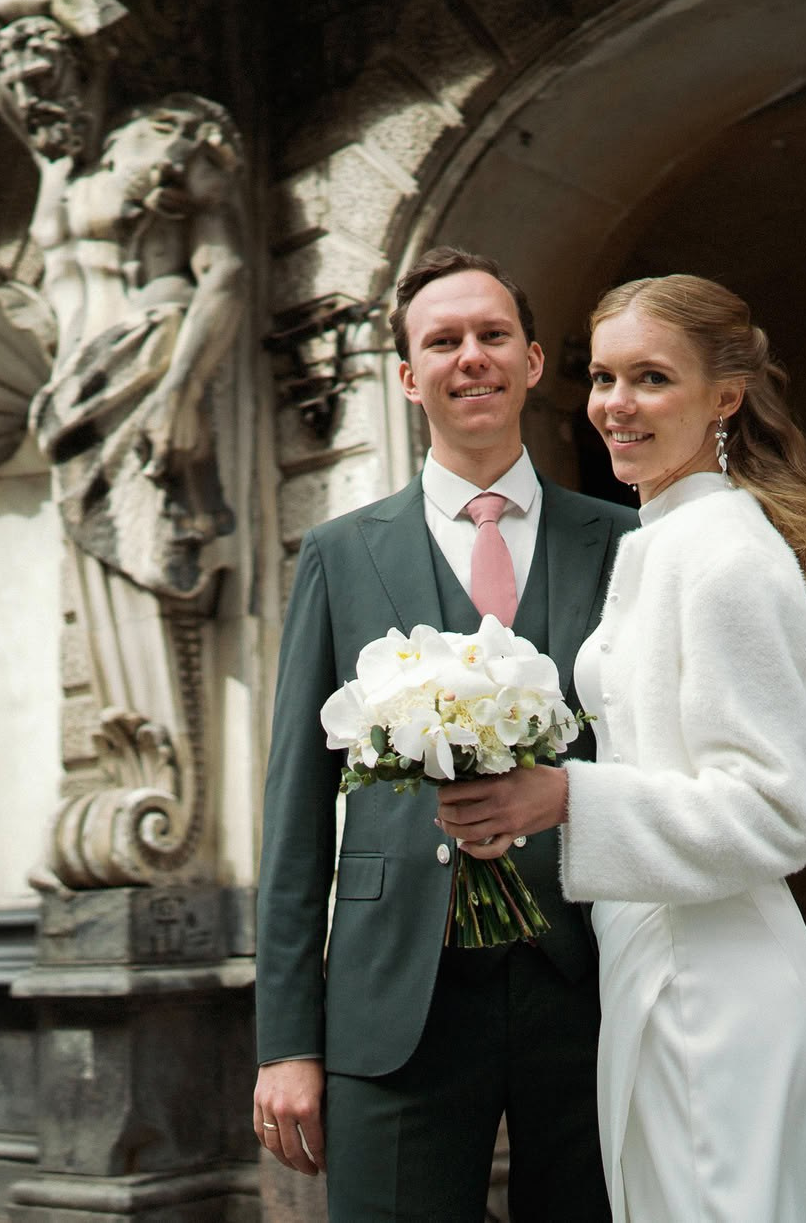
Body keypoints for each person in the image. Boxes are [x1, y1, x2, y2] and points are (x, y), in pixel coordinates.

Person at [436, 273, 806, 1221]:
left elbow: (770, 808)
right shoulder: (665, 539)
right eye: (603, 377)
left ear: (724, 396)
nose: (615, 406)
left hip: (714, 988)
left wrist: (564, 799)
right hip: (668, 963)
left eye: (651, 378)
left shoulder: (721, 553)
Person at [256, 248, 639, 1222]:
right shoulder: (339, 556)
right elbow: (295, 814)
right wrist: (286, 1042)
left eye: (491, 335)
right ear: (406, 375)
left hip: (592, 981)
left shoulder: (628, 544)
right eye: (442, 340)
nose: (470, 357)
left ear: (535, 360)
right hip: (396, 995)